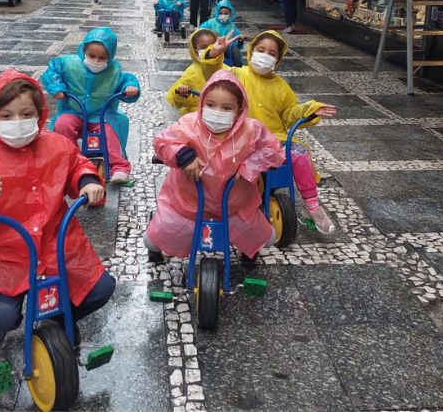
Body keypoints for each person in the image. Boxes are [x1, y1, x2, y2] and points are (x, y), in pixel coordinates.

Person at [0, 70, 113, 372]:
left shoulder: (57, 145)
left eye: (26, 114)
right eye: (7, 115)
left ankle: (58, 317)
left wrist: (88, 180)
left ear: (39, 114)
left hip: (57, 243)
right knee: (3, 317)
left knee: (99, 289)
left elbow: (77, 165)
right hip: (4, 254)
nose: (17, 123)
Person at [202, 30, 338, 234]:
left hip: (273, 141)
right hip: (238, 139)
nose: (265, 56)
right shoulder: (237, 74)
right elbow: (214, 76)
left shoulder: (281, 86)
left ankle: (312, 206)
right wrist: (214, 54)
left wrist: (310, 108)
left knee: (299, 154)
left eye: (272, 53)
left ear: (278, 60)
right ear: (251, 51)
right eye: (261, 50)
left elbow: (290, 113)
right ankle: (224, 202)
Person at [145, 70, 284, 265]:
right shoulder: (188, 124)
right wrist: (183, 155)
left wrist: (248, 167)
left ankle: (248, 252)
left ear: (239, 110)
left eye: (227, 108)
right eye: (210, 105)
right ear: (202, 103)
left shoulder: (252, 129)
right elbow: (162, 143)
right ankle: (157, 247)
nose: (217, 112)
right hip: (187, 204)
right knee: (154, 238)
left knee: (265, 239)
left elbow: (273, 149)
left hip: (235, 205)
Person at [40, 27, 141, 184]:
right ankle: (68, 162)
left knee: (110, 130)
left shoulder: (114, 71)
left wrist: (130, 88)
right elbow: (52, 71)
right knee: (62, 124)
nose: (96, 61)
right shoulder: (69, 64)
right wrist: (56, 88)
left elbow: (127, 80)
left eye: (102, 58)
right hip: (73, 110)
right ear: (83, 51)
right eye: (91, 55)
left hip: (101, 113)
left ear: (110, 57)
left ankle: (119, 167)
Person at [167, 28, 225, 116]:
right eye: (204, 47)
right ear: (195, 50)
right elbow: (175, 96)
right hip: (197, 116)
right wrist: (182, 93)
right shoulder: (191, 72)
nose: (208, 50)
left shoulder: (226, 69)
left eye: (211, 46)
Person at [199, 0, 242, 66]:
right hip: (212, 48)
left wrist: (240, 40)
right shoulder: (210, 23)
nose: (223, 15)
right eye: (220, 13)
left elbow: (237, 41)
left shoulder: (232, 27)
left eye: (226, 13)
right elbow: (200, 31)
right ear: (217, 13)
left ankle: (238, 68)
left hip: (227, 50)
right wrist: (211, 34)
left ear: (230, 14)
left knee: (235, 50)